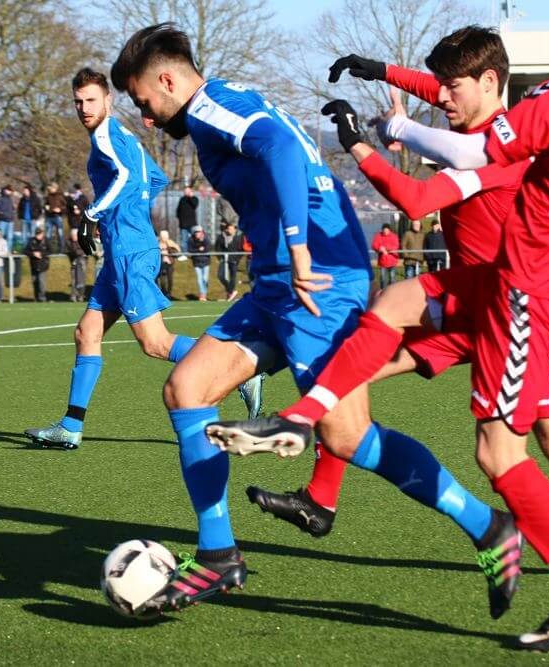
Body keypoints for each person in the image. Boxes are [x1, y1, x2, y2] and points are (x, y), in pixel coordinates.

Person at [211, 1, 549, 649]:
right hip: (522, 293)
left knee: (493, 448)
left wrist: (376, 136)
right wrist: (390, 82)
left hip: (514, 303)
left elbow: (450, 165)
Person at [220, 26, 531, 620]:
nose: (440, 95)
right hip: (461, 298)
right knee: (346, 378)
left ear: (490, 83)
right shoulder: (475, 120)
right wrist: (381, 69)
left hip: (481, 309)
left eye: (451, 87)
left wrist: (358, 145)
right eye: (439, 85)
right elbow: (442, 92)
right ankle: (320, 500)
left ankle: (519, 542)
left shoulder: (493, 144)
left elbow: (415, 201)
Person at [111, 23, 377, 613]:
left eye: (145, 103)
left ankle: (487, 526)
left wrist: (298, 245)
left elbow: (282, 149)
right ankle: (218, 556)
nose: (148, 118)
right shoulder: (222, 103)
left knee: (347, 432)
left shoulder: (210, 110)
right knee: (186, 388)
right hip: (277, 284)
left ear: (166, 78)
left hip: (315, 277)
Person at [23, 67, 263, 451]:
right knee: (87, 333)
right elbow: (153, 179)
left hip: (129, 253)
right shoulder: (123, 134)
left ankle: (238, 368)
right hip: (126, 249)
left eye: (91, 100)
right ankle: (71, 426)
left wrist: (94, 213)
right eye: (78, 102)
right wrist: (129, 214)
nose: (84, 108)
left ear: (108, 100)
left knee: (154, 343)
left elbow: (122, 177)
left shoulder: (106, 135)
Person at [215, 221, 241, 301]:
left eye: (232, 229)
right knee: (220, 275)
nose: (230, 230)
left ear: (235, 230)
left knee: (233, 277)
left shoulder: (238, 237)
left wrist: (237, 259)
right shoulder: (221, 237)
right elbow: (217, 248)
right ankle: (231, 291)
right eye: (229, 229)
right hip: (224, 259)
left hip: (234, 260)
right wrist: (220, 258)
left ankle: (230, 293)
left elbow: (240, 249)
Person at [371, 223, 400, 288]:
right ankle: (382, 292)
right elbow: (374, 245)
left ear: (389, 230)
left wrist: (385, 248)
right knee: (383, 279)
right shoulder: (378, 235)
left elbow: (396, 246)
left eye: (387, 230)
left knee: (392, 278)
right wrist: (379, 248)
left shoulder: (394, 236)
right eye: (384, 230)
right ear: (382, 230)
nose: (385, 231)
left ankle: (391, 292)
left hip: (392, 260)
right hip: (383, 261)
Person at [25, 227, 50, 302]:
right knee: (35, 281)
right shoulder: (31, 240)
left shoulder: (46, 240)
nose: (38, 235)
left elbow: (51, 251)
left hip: (43, 264)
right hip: (34, 265)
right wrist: (33, 254)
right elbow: (25, 251)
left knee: (41, 282)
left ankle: (42, 297)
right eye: (37, 234)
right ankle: (36, 297)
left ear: (42, 234)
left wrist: (41, 254)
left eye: (40, 234)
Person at [187, 225, 210, 300]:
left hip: (206, 262)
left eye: (199, 232)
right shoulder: (191, 240)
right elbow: (190, 250)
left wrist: (202, 249)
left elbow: (207, 249)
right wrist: (198, 249)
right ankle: (202, 294)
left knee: (205, 279)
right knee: (199, 279)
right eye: (196, 232)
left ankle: (204, 293)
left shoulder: (206, 239)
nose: (198, 233)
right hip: (196, 262)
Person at [66, 227, 88, 302]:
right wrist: (78, 253)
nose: (74, 237)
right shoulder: (68, 242)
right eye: (73, 235)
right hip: (74, 263)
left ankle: (81, 296)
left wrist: (80, 253)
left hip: (82, 263)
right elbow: (70, 251)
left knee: (82, 280)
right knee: (74, 280)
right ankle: (73, 296)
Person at [157, 229, 181, 298]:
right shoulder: (158, 243)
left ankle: (169, 293)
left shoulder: (170, 242)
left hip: (170, 263)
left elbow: (177, 250)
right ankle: (163, 293)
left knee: (170, 279)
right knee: (162, 280)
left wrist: (168, 247)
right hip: (161, 264)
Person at [176, 186, 199, 258]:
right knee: (184, 240)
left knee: (195, 238)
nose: (186, 192)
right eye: (185, 191)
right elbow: (178, 210)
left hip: (192, 223)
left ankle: (195, 253)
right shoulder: (182, 199)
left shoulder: (194, 198)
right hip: (183, 224)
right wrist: (179, 218)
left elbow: (195, 205)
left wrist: (191, 197)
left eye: (188, 191)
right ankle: (184, 254)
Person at [44, 182, 65, 251]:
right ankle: (49, 250)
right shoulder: (48, 196)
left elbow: (65, 206)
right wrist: (46, 208)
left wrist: (60, 209)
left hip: (58, 217)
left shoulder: (60, 196)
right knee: (48, 234)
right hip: (49, 217)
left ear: (55, 188)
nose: (50, 189)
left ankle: (61, 250)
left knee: (60, 233)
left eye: (51, 187)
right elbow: (45, 205)